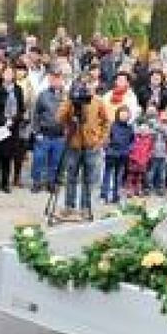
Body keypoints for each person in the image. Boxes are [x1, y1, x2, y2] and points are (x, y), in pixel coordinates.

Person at [57, 79, 110, 221]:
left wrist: (101, 140)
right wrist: (70, 102)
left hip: (91, 146)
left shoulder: (98, 101)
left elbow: (106, 121)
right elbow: (60, 119)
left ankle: (85, 208)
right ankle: (69, 206)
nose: (87, 89)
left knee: (88, 179)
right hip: (74, 145)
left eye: (89, 85)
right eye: (84, 85)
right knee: (71, 177)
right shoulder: (70, 100)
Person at [0, 63, 25, 193]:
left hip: (12, 128)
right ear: (1, 75)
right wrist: (4, 120)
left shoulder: (18, 90)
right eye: (6, 73)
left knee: (8, 157)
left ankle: (5, 183)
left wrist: (13, 120)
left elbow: (21, 108)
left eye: (11, 73)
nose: (9, 75)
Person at [31, 69, 67, 193]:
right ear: (50, 79)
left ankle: (51, 183)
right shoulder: (43, 95)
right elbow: (35, 114)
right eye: (53, 78)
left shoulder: (66, 96)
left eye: (59, 78)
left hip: (60, 135)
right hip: (44, 133)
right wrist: (36, 132)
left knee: (55, 162)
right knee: (38, 159)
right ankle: (37, 182)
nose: (56, 81)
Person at [102, 106, 134, 204]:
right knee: (107, 175)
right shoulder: (112, 125)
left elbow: (132, 141)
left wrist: (128, 150)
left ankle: (116, 196)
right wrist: (108, 149)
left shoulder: (129, 128)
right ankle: (105, 195)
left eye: (126, 114)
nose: (124, 116)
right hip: (112, 154)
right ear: (118, 114)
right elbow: (107, 138)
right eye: (122, 114)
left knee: (118, 176)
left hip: (123, 154)